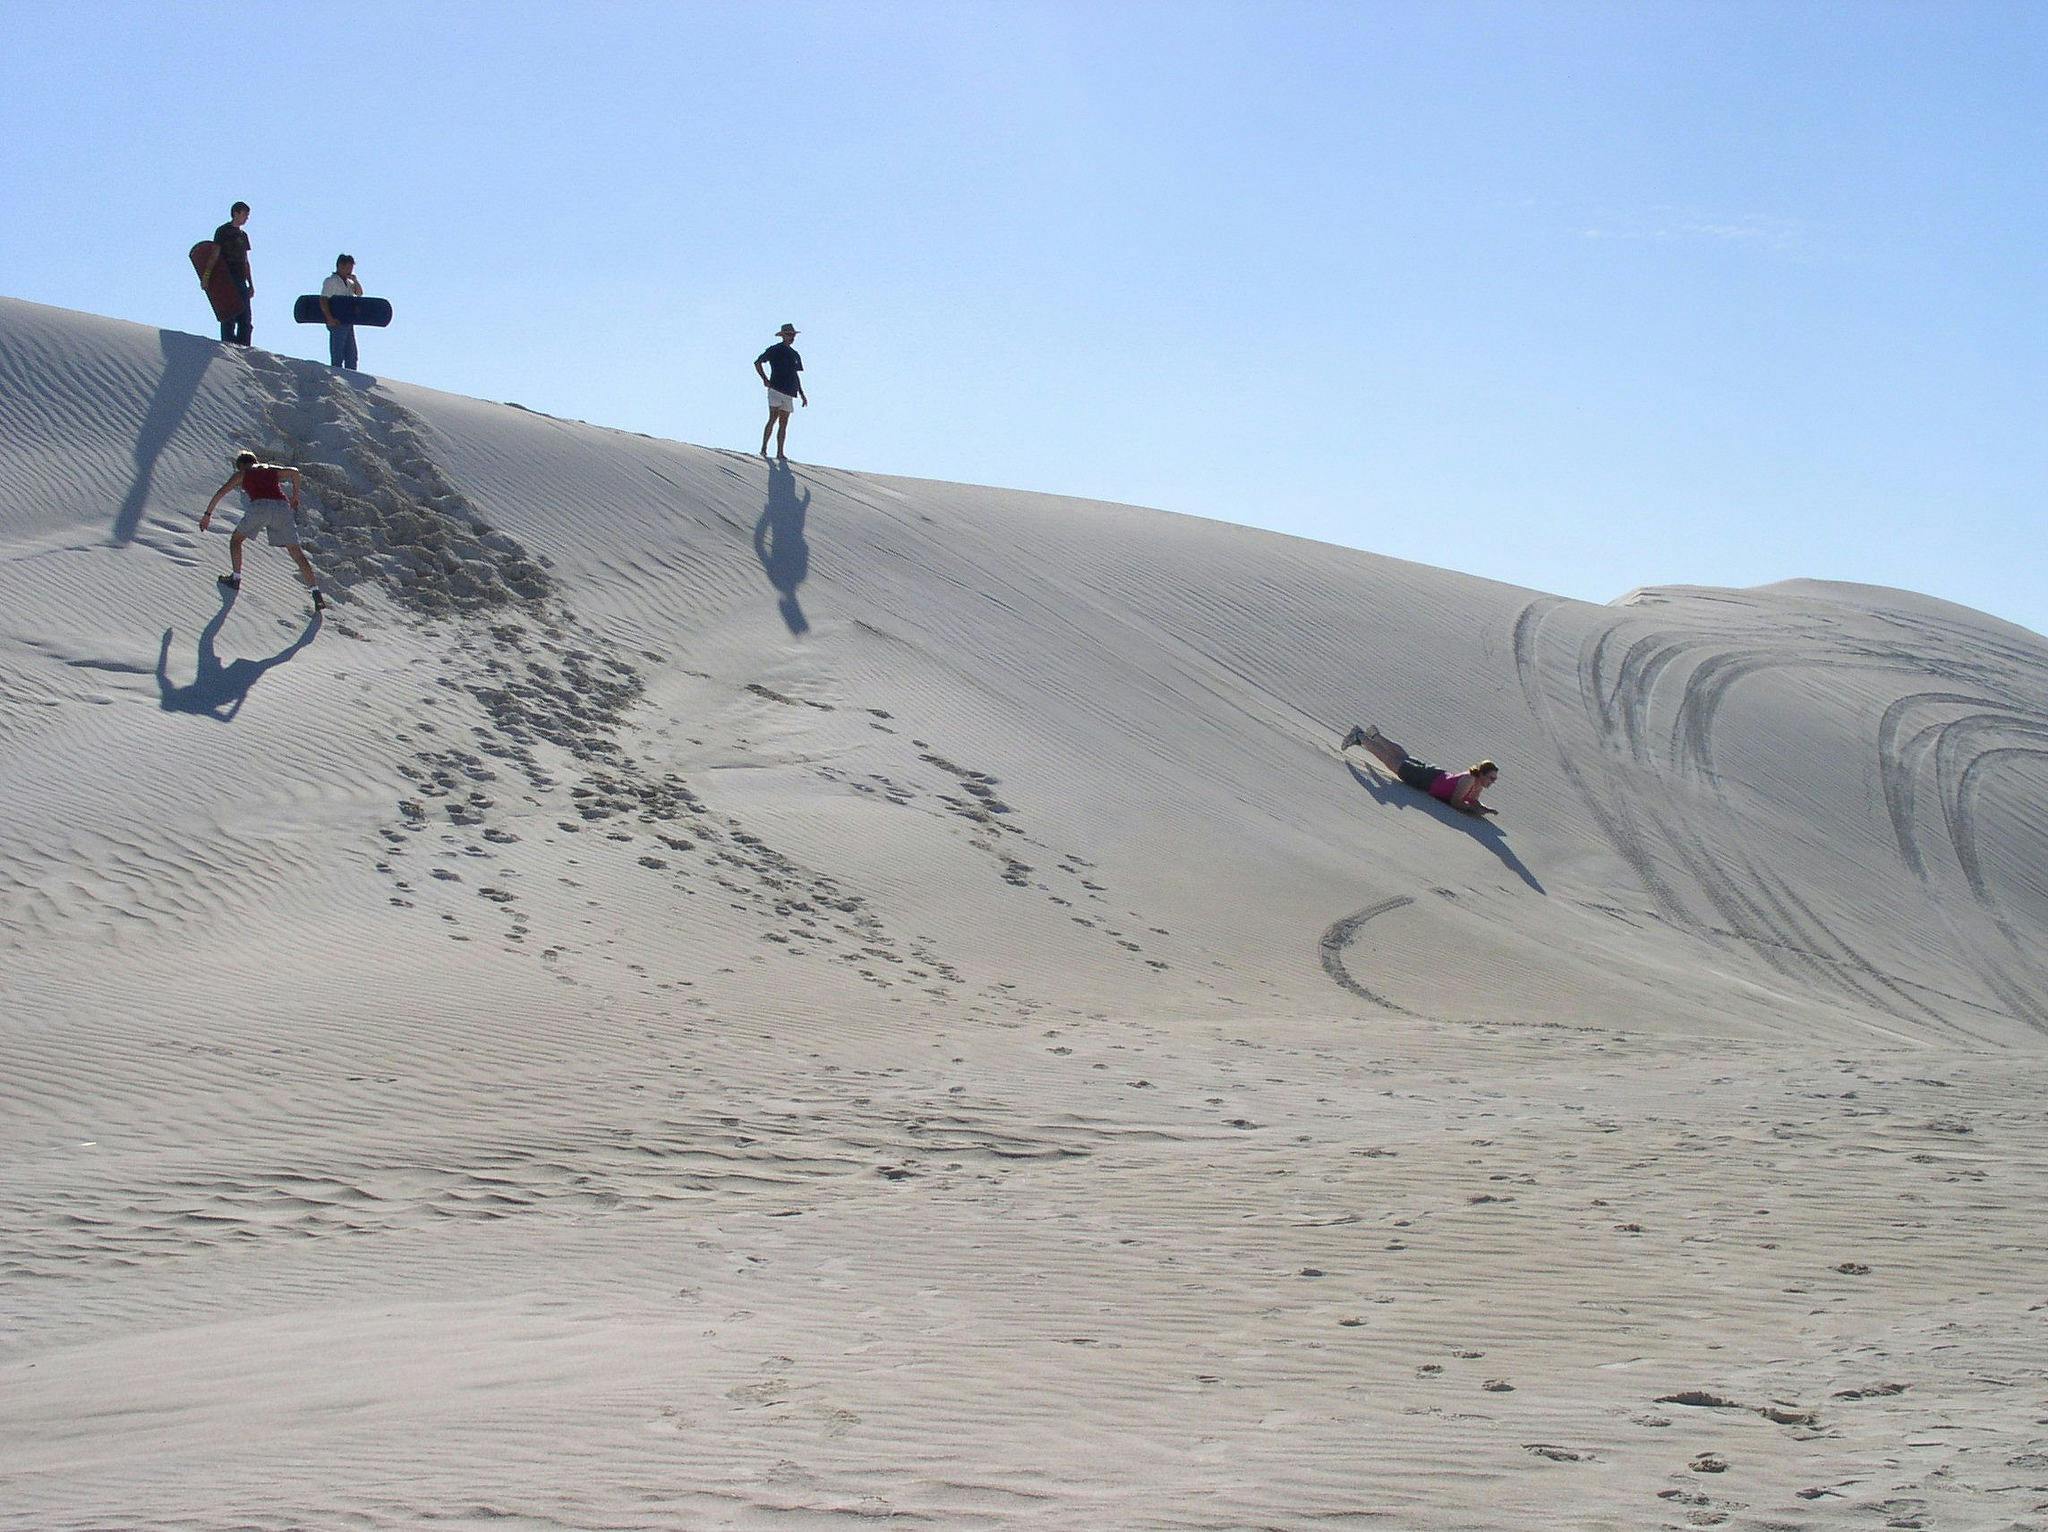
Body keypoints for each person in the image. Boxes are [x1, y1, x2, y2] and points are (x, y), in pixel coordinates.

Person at [199, 451, 326, 612]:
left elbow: (221, 493)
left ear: (242, 464)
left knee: (236, 540)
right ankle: (316, 592)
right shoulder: (269, 469)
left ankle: (235, 579)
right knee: (296, 552)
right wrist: (295, 496)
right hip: (282, 508)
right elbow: (295, 472)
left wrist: (207, 515)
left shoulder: (243, 473)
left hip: (260, 507)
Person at [1343, 724, 1498, 816]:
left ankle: (1375, 736)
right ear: (1482, 773)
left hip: (1434, 774)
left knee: (1402, 757)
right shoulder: (1470, 779)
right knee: (1390, 760)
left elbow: (1472, 799)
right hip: (1427, 780)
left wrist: (1484, 808)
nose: (1492, 782)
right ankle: (1359, 736)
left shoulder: (1477, 782)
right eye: (1491, 778)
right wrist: (1472, 810)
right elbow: (1456, 801)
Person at [201, 202, 254, 346]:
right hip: (226, 278)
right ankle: (228, 346)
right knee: (229, 314)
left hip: (241, 279)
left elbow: (245, 261)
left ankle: (244, 348)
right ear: (236, 213)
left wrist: (251, 284)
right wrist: (206, 277)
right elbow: (214, 254)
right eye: (244, 214)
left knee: (246, 318)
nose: (246, 218)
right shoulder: (223, 231)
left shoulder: (243, 236)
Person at [754, 323, 806, 456]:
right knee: (773, 418)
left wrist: (801, 393)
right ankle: (764, 448)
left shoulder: (795, 354)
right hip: (776, 388)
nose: (792, 337)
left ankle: (780, 452)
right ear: (783, 336)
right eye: (789, 335)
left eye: (793, 335)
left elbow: (795, 374)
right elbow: (758, 362)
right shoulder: (775, 349)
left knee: (784, 423)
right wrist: (765, 379)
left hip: (790, 391)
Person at [319, 253, 363, 369]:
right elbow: (323, 300)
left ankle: (352, 379)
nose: (349, 271)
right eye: (348, 268)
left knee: (351, 354)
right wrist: (329, 318)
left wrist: (355, 281)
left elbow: (359, 293)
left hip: (348, 321)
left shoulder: (349, 283)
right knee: (337, 354)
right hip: (337, 320)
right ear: (340, 266)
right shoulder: (331, 281)